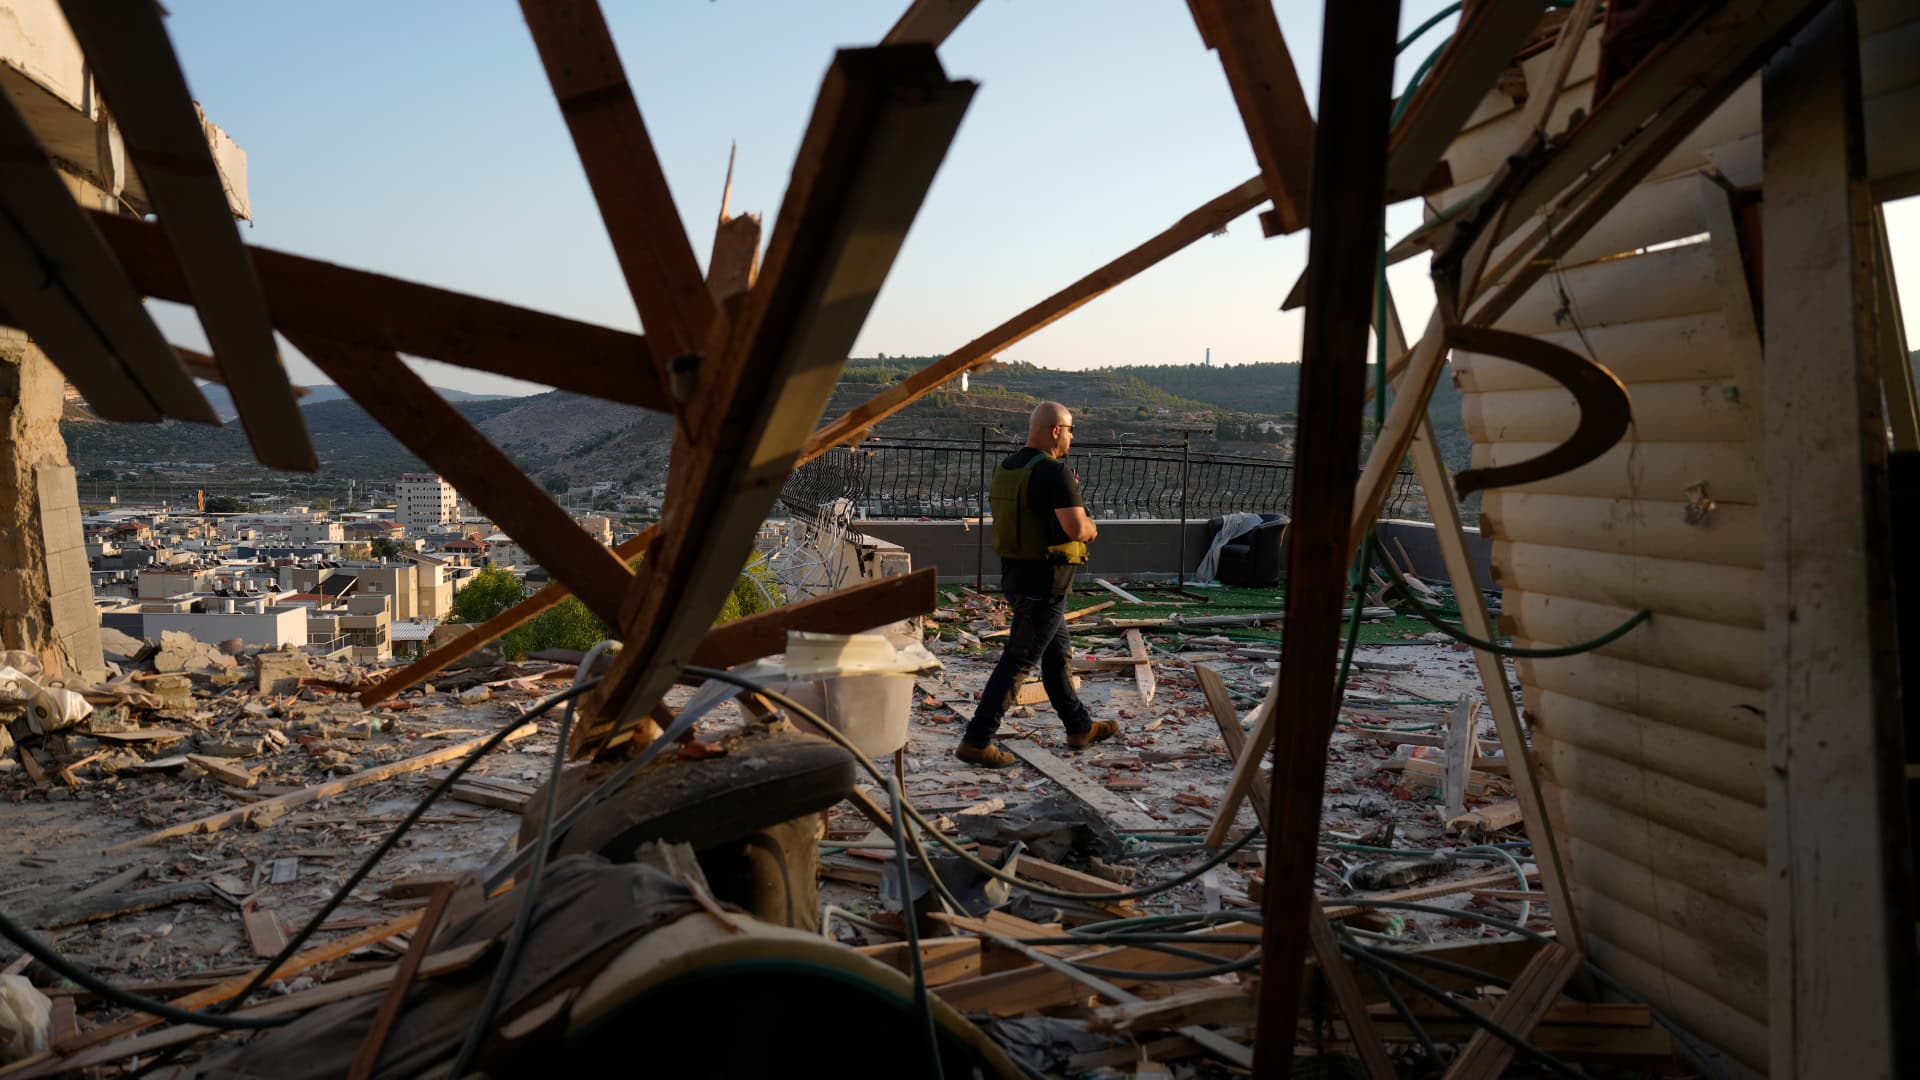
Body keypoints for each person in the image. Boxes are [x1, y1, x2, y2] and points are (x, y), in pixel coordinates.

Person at [957, 402, 1118, 767]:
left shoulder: (1008, 468)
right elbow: (1076, 528)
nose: (1073, 437)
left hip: (1017, 575)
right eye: (1071, 429)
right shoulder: (1053, 472)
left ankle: (1079, 726)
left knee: (1057, 654)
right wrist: (1093, 527)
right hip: (1045, 582)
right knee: (1018, 662)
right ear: (1055, 430)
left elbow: (1031, 515)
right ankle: (977, 741)